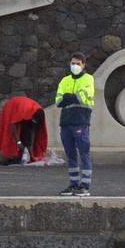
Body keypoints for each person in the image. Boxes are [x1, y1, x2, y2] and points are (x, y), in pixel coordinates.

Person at [50, 52, 96, 195]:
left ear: (83, 65)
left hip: (81, 120)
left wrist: (70, 97)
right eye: (73, 63)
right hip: (66, 122)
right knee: (70, 154)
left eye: (78, 63)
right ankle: (74, 184)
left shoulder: (88, 79)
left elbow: (83, 95)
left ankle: (85, 186)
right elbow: (58, 100)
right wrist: (71, 97)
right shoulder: (65, 80)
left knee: (84, 152)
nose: (75, 66)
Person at [0, 95, 47, 165]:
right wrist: (18, 142)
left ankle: (22, 154)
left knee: (26, 130)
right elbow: (13, 126)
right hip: (12, 106)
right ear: (32, 116)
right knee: (9, 133)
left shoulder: (38, 113)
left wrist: (31, 147)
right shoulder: (24, 110)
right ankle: (10, 157)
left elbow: (33, 130)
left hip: (25, 109)